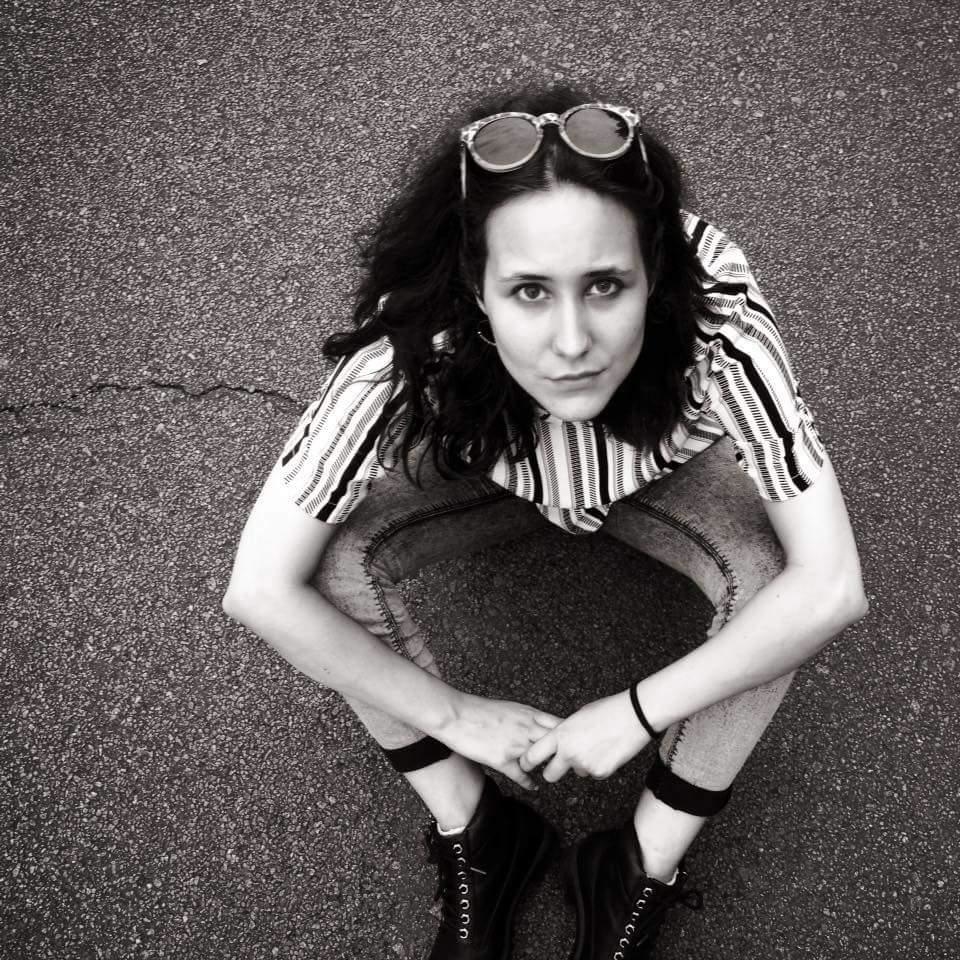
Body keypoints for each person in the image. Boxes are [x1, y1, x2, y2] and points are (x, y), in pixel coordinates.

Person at [222, 85, 868, 960]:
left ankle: (640, 861)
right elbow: (260, 588)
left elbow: (831, 586)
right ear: (475, 289)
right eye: (529, 290)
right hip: (492, 467)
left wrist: (636, 713)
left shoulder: (717, 319)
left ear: (654, 274)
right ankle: (478, 827)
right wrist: (454, 716)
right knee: (325, 561)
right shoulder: (412, 337)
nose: (571, 343)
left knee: (777, 584)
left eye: (606, 286)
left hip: (659, 478)